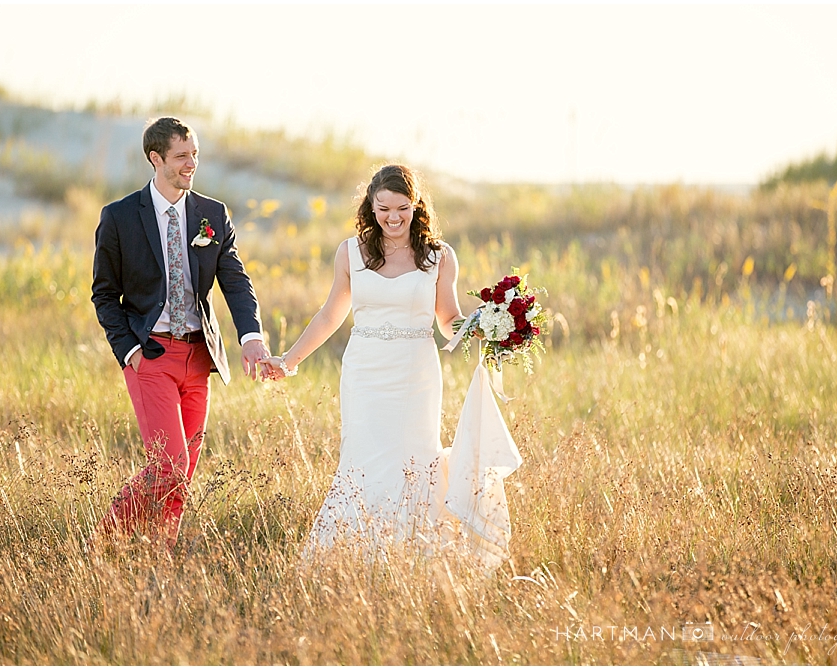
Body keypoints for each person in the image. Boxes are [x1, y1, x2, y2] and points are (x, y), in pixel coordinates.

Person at [265, 164, 520, 567]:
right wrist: (288, 360)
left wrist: (486, 327)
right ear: (371, 205)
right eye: (384, 208)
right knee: (363, 459)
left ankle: (412, 556)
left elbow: (448, 317)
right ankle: (350, 558)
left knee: (414, 459)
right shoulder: (351, 252)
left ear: (416, 206)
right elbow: (330, 314)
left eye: (402, 208)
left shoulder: (439, 256)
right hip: (365, 373)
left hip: (415, 375)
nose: (393, 217)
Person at [90, 116, 271, 550]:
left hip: (198, 357)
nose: (191, 164)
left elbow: (235, 280)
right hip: (149, 354)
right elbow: (103, 295)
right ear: (156, 159)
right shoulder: (118, 218)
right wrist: (130, 350)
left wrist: (251, 337)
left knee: (182, 473)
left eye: (195, 155)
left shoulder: (212, 214)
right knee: (169, 466)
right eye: (181, 157)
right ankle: (101, 542)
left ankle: (159, 554)